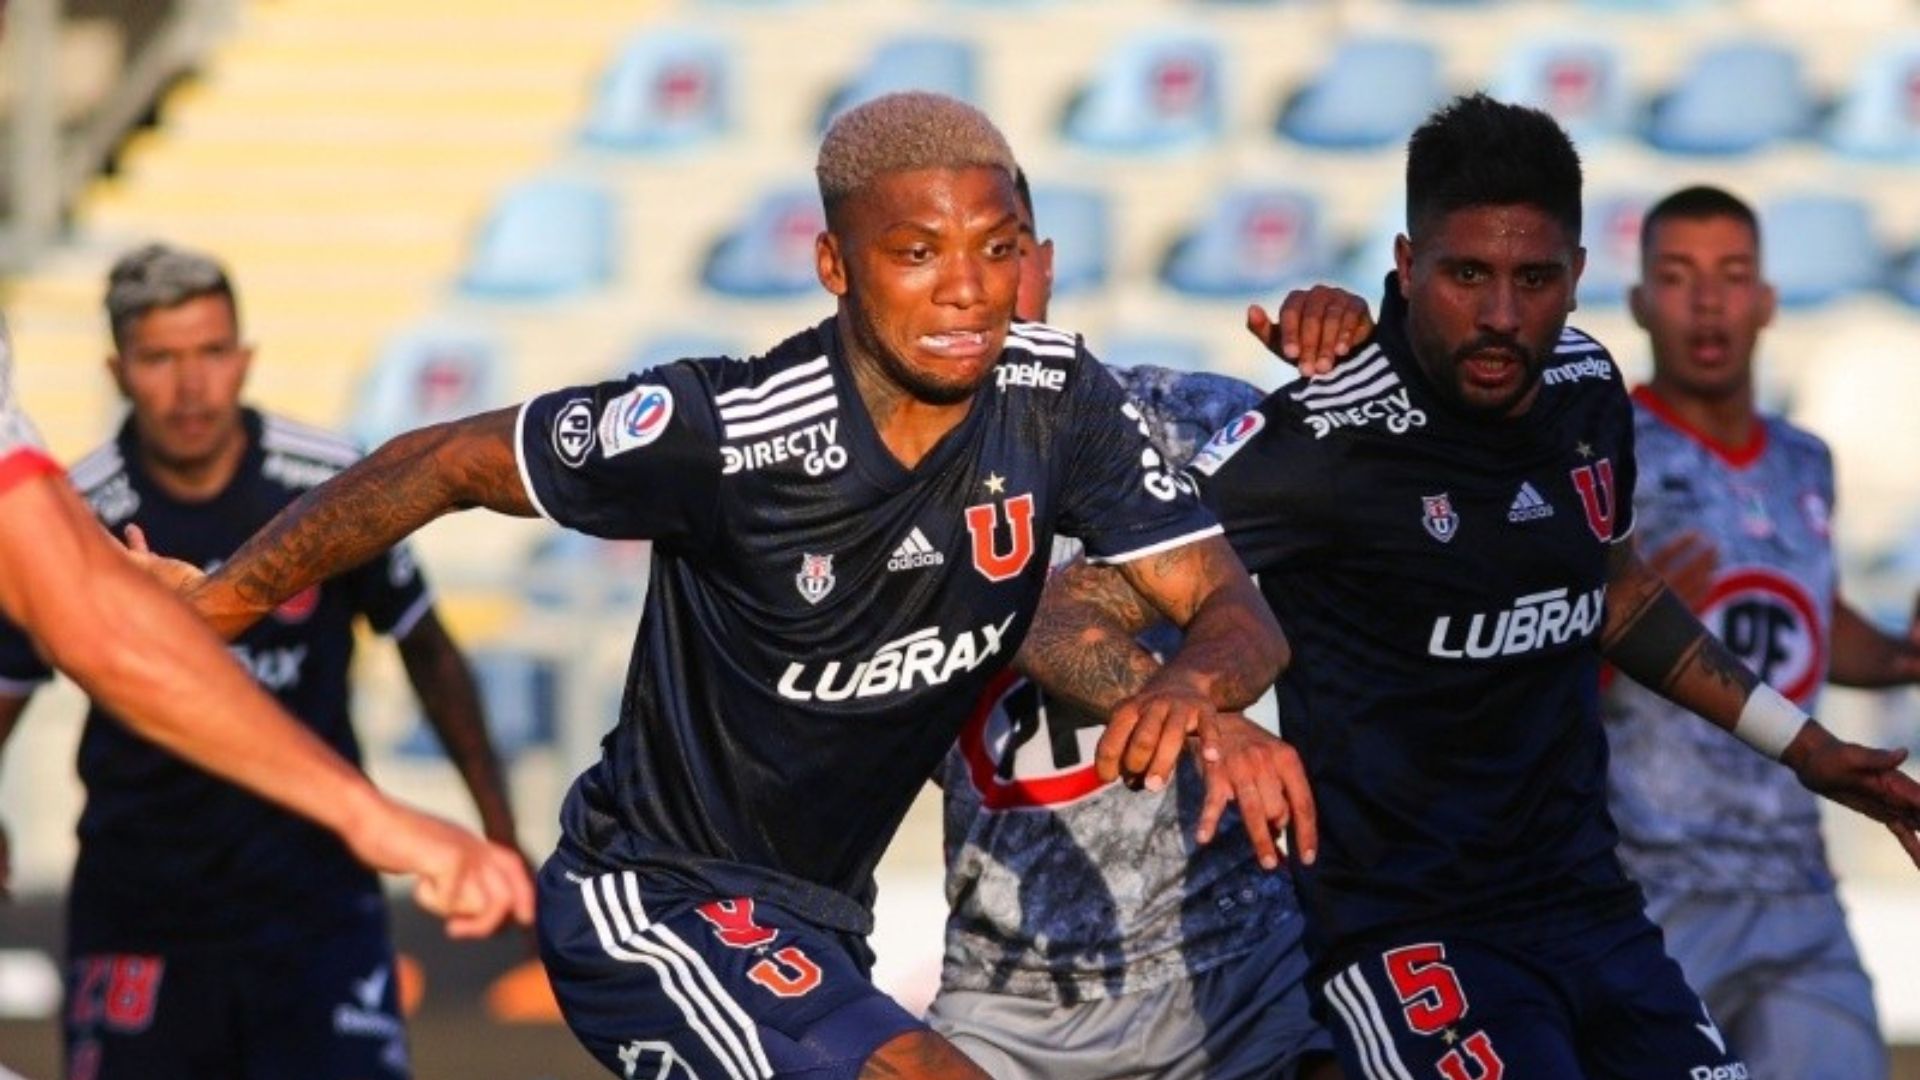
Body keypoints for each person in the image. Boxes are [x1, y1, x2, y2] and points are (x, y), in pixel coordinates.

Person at [150, 92, 1289, 1079]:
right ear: (836, 266)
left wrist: (1198, 690)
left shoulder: (1057, 397)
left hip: (816, 927)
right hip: (650, 902)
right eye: (918, 253)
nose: (968, 291)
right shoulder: (729, 433)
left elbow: (1229, 605)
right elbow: (448, 459)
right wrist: (223, 602)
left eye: (999, 249)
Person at [1047, 93, 1920, 1078]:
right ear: (1408, 268)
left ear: (1580, 276)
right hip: (1409, 936)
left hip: (1595, 915)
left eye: (1535, 278)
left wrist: (1803, 748)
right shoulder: (1320, 443)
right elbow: (1067, 611)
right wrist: (1196, 713)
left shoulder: (1589, 392)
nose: (1503, 316)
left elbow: (1615, 592)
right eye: (1468, 275)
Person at [0, 245, 523, 1079]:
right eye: (161, 359)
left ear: (244, 356)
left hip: (313, 907)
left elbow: (428, 647)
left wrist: (496, 823)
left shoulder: (328, 483)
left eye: (210, 352)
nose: (191, 384)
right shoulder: (72, 510)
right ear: (118, 369)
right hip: (144, 906)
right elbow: (11, 684)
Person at [926, 169, 1340, 1080]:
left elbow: (1391, 487)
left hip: (1236, 963)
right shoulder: (876, 488)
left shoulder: (1193, 420)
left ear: (1044, 264)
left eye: (1004, 252)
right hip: (1011, 996)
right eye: (942, 258)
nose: (980, 287)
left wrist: (1358, 362)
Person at [1603, 184, 1920, 1079]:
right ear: (1639, 301)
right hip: (1651, 890)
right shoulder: (1607, 451)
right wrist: (1633, 618)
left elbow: (1807, 622)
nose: (1707, 300)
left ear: (1767, 299)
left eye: (1732, 274)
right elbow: (1551, 640)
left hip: (1793, 884)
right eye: (1678, 275)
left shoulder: (1803, 459)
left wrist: (1902, 655)